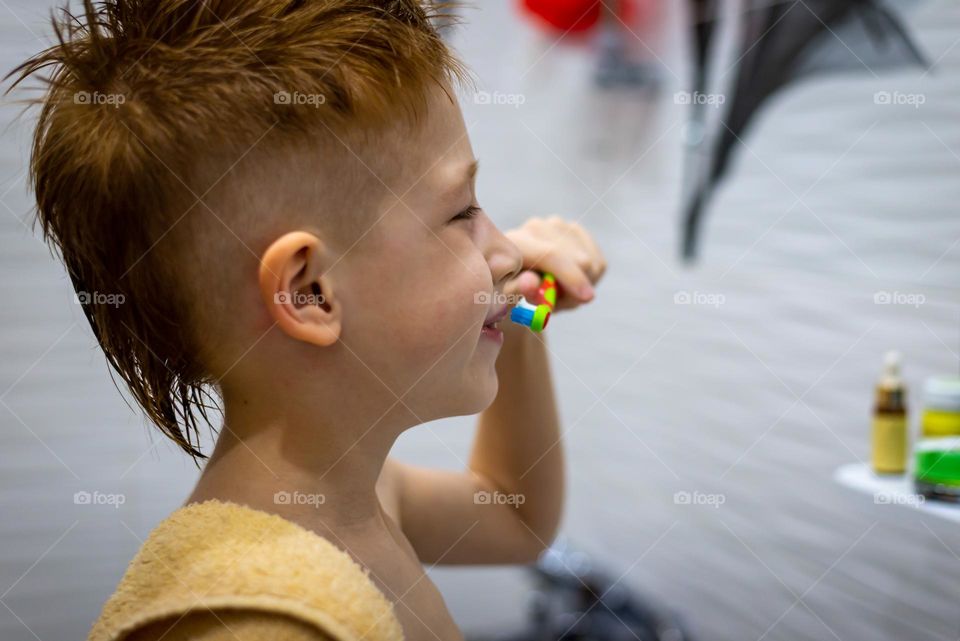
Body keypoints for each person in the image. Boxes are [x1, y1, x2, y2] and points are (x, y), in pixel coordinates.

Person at [7, 1, 606, 639]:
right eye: (462, 214)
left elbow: (514, 517)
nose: (508, 250)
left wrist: (519, 307)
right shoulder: (257, 621)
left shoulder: (357, 498)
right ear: (310, 293)